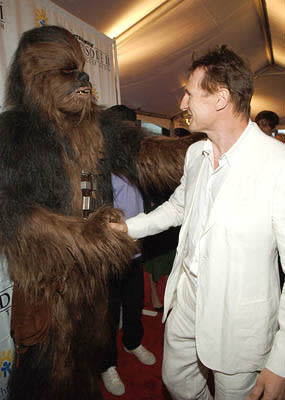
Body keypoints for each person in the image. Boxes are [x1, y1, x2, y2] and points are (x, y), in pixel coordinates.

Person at [111, 45, 285, 399]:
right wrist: (129, 228)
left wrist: (280, 362)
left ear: (221, 98)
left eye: (189, 94)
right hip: (187, 296)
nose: (182, 105)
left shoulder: (277, 165)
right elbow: (178, 207)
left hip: (238, 319)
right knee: (176, 381)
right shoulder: (195, 153)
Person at [101, 105, 156, 397]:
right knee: (108, 314)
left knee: (134, 303)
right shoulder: (101, 166)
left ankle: (132, 342)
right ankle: (106, 363)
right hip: (111, 255)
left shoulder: (136, 162)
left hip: (135, 250)